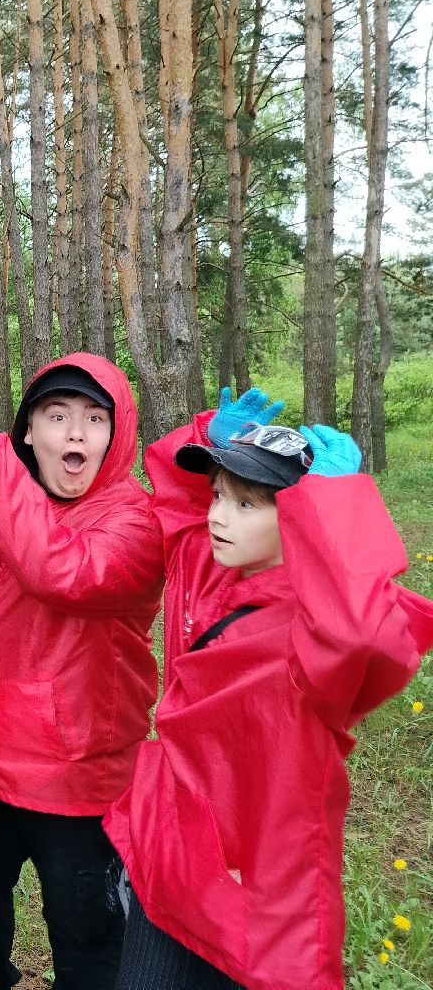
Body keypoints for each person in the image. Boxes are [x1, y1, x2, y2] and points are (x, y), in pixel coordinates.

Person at [103, 389, 433, 990]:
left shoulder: (319, 632)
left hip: (253, 894)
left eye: (249, 503)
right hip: (173, 864)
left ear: (303, 523)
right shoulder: (212, 570)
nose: (219, 516)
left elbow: (366, 637)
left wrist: (333, 505)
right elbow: (179, 509)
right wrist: (213, 432)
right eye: (220, 496)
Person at [0, 355, 164, 990]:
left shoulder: (136, 521)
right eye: (57, 417)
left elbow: (63, 572)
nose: (75, 436)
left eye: (94, 420)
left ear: (118, 434)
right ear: (29, 431)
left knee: (88, 945)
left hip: (79, 779)